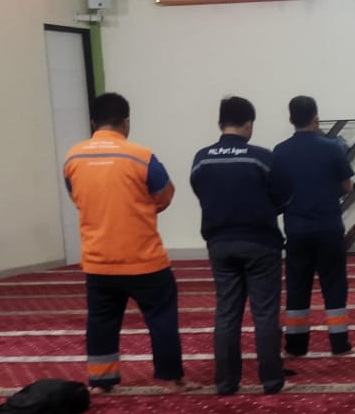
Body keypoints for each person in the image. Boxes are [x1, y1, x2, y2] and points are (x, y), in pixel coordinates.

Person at [63, 93, 201, 395]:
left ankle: (101, 381)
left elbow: (77, 198)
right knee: (161, 318)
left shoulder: (73, 158)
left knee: (101, 321)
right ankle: (172, 379)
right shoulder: (141, 156)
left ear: (93, 122)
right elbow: (164, 196)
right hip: (144, 259)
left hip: (98, 260)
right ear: (126, 122)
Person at [190, 96, 293, 395]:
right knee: (265, 314)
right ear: (249, 124)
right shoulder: (262, 158)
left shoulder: (202, 159)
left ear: (220, 122)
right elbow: (284, 197)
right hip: (260, 243)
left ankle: (225, 382)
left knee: (226, 313)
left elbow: (200, 191)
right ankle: (271, 380)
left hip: (220, 244)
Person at [271, 96, 355, 357]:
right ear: (316, 118)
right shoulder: (332, 148)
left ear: (290, 119)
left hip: (297, 229)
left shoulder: (280, 151)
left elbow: (275, 192)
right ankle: (340, 343)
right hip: (329, 228)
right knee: (334, 284)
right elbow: (347, 186)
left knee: (297, 286)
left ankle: (296, 346)